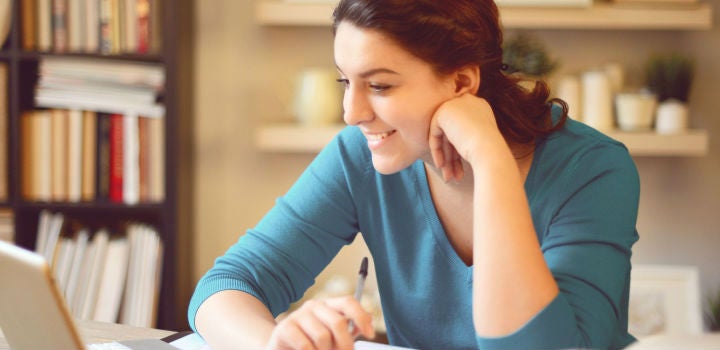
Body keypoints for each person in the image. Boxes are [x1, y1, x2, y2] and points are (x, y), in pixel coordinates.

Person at [188, 0, 640, 349]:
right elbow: (227, 285)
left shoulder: (594, 170)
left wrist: (489, 158)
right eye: (346, 82)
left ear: (463, 84)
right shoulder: (362, 155)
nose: (351, 113)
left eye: (380, 85)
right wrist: (274, 343)